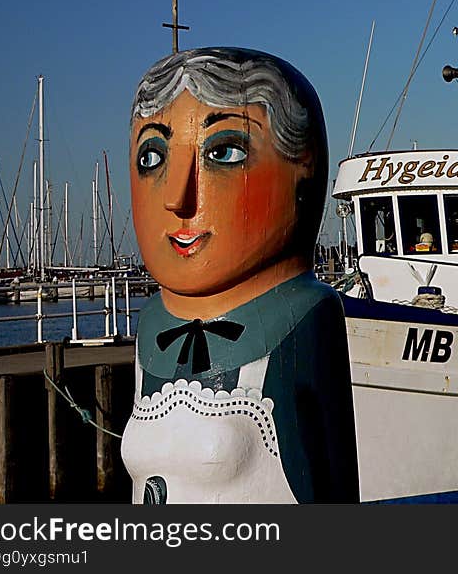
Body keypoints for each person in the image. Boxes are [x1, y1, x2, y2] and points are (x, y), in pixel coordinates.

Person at [120, 47, 359, 504]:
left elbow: (330, 483)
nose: (177, 198)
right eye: (152, 157)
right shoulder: (153, 322)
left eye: (224, 152)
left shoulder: (304, 315)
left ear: (303, 171)